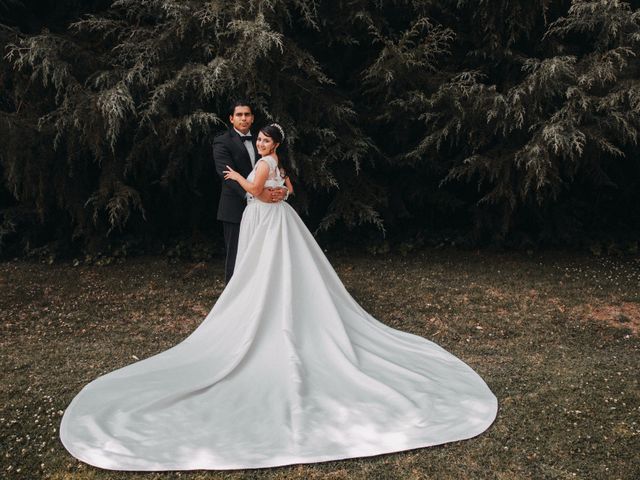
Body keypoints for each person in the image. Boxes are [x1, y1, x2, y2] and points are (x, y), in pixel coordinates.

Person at [59, 123, 498, 471]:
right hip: (275, 218)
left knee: (263, 271)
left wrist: (238, 177)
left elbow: (256, 191)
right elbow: (287, 192)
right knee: (266, 270)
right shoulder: (279, 163)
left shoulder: (266, 161)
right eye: (261, 138)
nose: (263, 142)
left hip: (264, 220)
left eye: (267, 139)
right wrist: (272, 190)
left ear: (272, 143)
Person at [213, 100, 288, 283]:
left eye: (247, 114)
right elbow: (226, 174)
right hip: (235, 207)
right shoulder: (222, 141)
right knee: (236, 257)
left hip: (264, 212)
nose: (243, 118)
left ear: (252, 118)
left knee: (262, 256)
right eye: (239, 115)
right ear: (231, 119)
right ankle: (232, 302)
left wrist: (283, 191)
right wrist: (255, 194)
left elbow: (280, 170)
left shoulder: (263, 139)